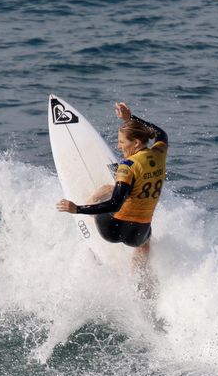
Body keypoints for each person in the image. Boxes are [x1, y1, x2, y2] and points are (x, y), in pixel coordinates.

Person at [56, 101, 168, 290]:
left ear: (136, 143)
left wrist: (77, 209)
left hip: (112, 230)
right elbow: (161, 133)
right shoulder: (160, 153)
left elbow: (115, 204)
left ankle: (90, 208)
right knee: (145, 242)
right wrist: (130, 119)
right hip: (138, 234)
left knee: (107, 189)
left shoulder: (128, 167)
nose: (118, 146)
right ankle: (139, 283)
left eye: (122, 142)